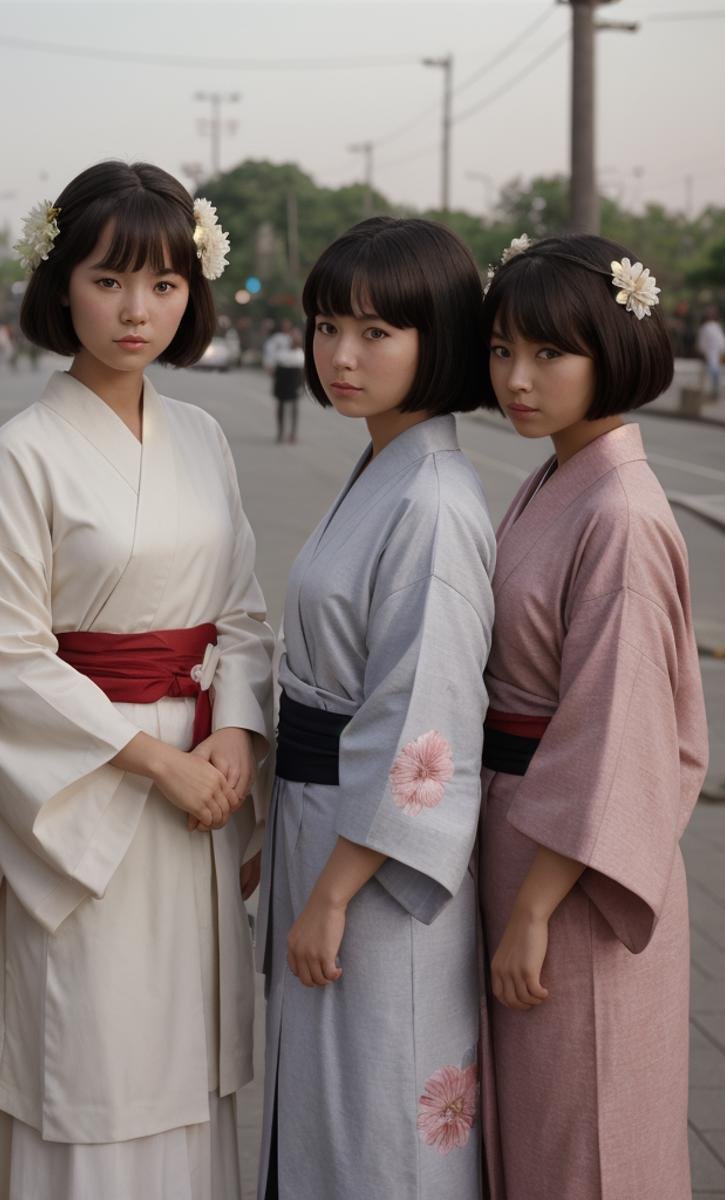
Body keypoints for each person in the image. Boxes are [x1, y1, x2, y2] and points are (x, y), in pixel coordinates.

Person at [0, 161, 274, 1200]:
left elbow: (241, 607)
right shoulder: (23, 452)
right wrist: (153, 761)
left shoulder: (204, 436)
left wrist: (232, 735)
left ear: (194, 293)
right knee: (91, 1045)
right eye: (108, 279)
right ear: (60, 285)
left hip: (201, 779)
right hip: (99, 787)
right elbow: (3, 654)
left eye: (166, 284)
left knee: (186, 1048)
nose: (137, 310)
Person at [257, 217, 495, 1200]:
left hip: (374, 869)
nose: (340, 357)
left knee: (380, 1110)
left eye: (374, 333)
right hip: (328, 827)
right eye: (325, 328)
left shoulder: (432, 501)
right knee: (335, 1104)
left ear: (434, 337)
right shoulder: (383, 468)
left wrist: (336, 893)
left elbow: (421, 720)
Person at [479, 234, 708, 1200]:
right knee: (543, 1123)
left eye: (548, 354)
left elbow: (617, 729)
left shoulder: (620, 509)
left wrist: (535, 905)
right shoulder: (557, 475)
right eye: (501, 350)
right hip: (527, 827)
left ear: (613, 350)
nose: (517, 379)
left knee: (591, 1128)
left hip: (572, 864)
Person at [271, 327, 305, 443]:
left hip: (294, 380)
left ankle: (293, 433)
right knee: (280, 406)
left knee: (294, 408)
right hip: (282, 379)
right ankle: (280, 432)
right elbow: (277, 365)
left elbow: (302, 373)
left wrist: (301, 386)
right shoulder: (282, 351)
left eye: (297, 338)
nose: (295, 340)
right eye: (293, 337)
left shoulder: (300, 354)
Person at [695, 307, 725, 398]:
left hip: (712, 353)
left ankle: (712, 391)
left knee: (712, 372)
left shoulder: (711, 327)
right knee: (712, 372)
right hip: (711, 353)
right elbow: (723, 342)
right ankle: (711, 391)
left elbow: (701, 343)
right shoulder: (712, 327)